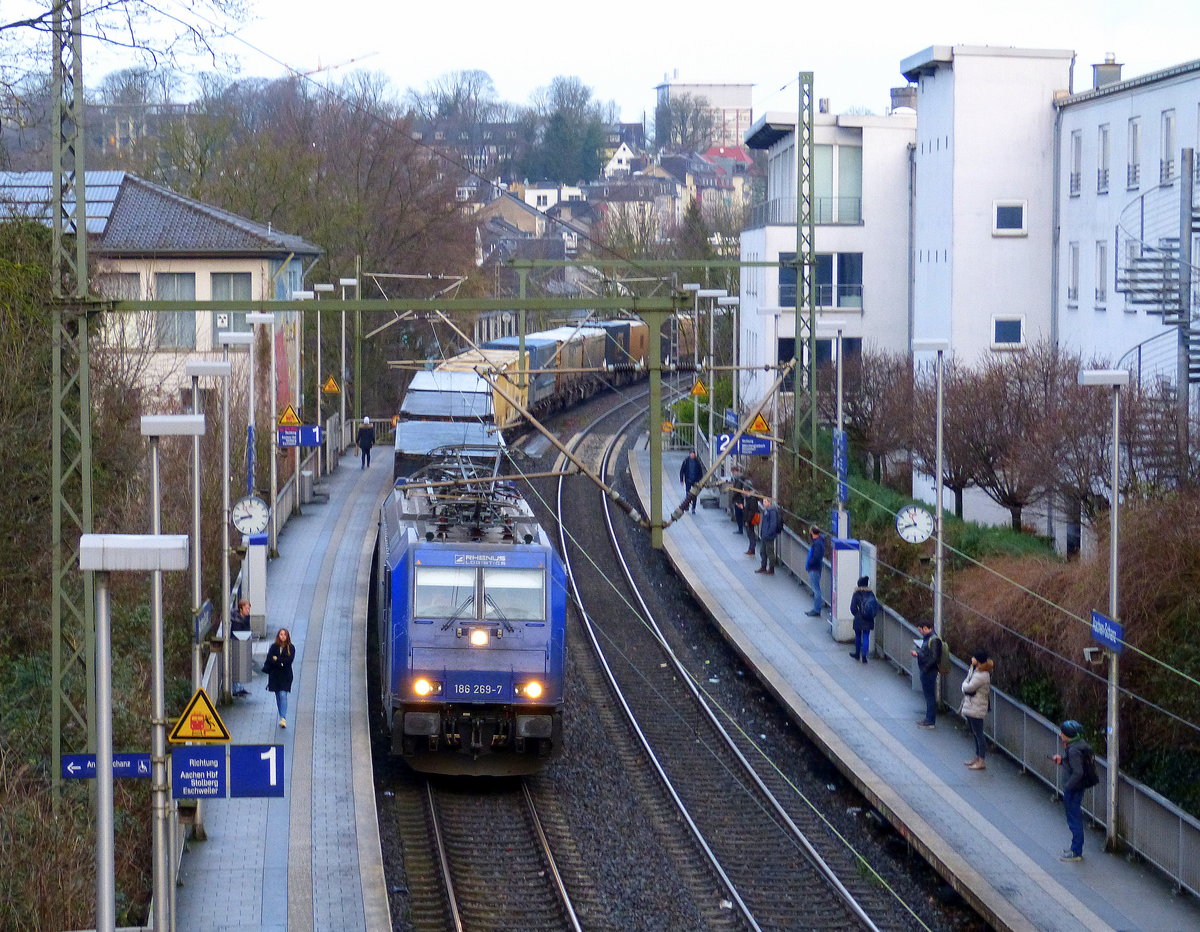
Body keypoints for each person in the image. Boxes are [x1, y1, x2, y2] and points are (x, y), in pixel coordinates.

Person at [1053, 720, 1099, 861]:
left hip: (1073, 789)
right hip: (1077, 787)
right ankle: (1075, 848)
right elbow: (1074, 765)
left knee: (1074, 819)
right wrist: (1062, 760)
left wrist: (1068, 786)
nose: (1060, 734)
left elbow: (1078, 772)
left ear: (1068, 735)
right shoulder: (1079, 745)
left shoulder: (1073, 750)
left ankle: (1076, 851)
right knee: (1074, 818)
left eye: (1062, 733)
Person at [960, 650, 994, 769]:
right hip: (972, 706)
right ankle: (977, 757)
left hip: (977, 707)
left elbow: (968, 687)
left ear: (978, 660)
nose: (972, 658)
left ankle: (981, 760)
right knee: (975, 733)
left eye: (974, 657)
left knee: (979, 734)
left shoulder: (982, 675)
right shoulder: (975, 670)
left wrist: (963, 686)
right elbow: (968, 682)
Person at [911, 620, 943, 728]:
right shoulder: (929, 639)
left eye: (921, 629)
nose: (920, 631)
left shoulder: (933, 640)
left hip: (929, 671)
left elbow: (934, 658)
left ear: (926, 628)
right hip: (928, 670)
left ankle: (930, 720)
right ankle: (929, 719)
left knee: (929, 696)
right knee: (929, 696)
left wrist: (925, 668)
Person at [262, 628, 296, 729]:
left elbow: (288, 661)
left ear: (287, 636)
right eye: (281, 634)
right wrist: (280, 662)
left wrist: (277, 660)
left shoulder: (291, 648)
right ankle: (281, 714)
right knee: (278, 696)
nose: (283, 636)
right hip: (275, 676)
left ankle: (283, 717)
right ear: (278, 636)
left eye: (285, 634)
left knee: (283, 694)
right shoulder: (274, 647)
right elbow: (270, 659)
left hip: (286, 676)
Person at [849, 576, 878, 662]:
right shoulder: (871, 594)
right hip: (868, 618)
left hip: (859, 618)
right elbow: (875, 606)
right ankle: (864, 656)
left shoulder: (856, 594)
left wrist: (857, 614)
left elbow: (853, 608)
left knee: (858, 636)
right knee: (866, 636)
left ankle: (857, 654)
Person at [230, 599, 251, 698]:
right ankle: (236, 688)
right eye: (246, 608)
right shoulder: (236, 620)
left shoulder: (245, 618)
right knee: (236, 667)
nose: (248, 611)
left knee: (241, 666)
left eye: (249, 609)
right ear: (241, 609)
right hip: (236, 645)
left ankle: (239, 687)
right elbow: (237, 633)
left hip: (243, 644)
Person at [755, 497, 782, 575]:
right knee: (762, 551)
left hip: (768, 535)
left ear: (769, 503)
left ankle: (771, 568)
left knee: (769, 552)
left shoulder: (772, 511)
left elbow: (773, 524)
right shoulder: (766, 510)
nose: (764, 503)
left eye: (765, 502)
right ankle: (763, 566)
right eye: (763, 501)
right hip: (764, 535)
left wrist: (768, 533)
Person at [804, 526, 826, 616]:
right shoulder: (820, 541)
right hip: (816, 568)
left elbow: (816, 556)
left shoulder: (817, 543)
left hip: (814, 568)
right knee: (816, 588)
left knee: (816, 589)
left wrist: (810, 563)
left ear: (812, 532)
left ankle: (817, 609)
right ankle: (816, 608)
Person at [729, 466, 747, 534]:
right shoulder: (740, 477)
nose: (733, 474)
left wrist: (733, 498)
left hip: (738, 499)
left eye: (733, 472)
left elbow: (737, 489)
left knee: (738, 514)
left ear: (735, 471)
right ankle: (741, 528)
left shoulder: (738, 478)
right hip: (740, 498)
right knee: (740, 514)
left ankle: (740, 529)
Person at [743, 486, 760, 557]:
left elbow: (751, 511)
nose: (743, 492)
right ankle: (751, 548)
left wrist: (747, 520)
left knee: (751, 534)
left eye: (744, 491)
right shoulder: (750, 498)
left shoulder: (752, 499)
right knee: (750, 533)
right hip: (749, 518)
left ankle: (752, 549)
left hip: (751, 519)